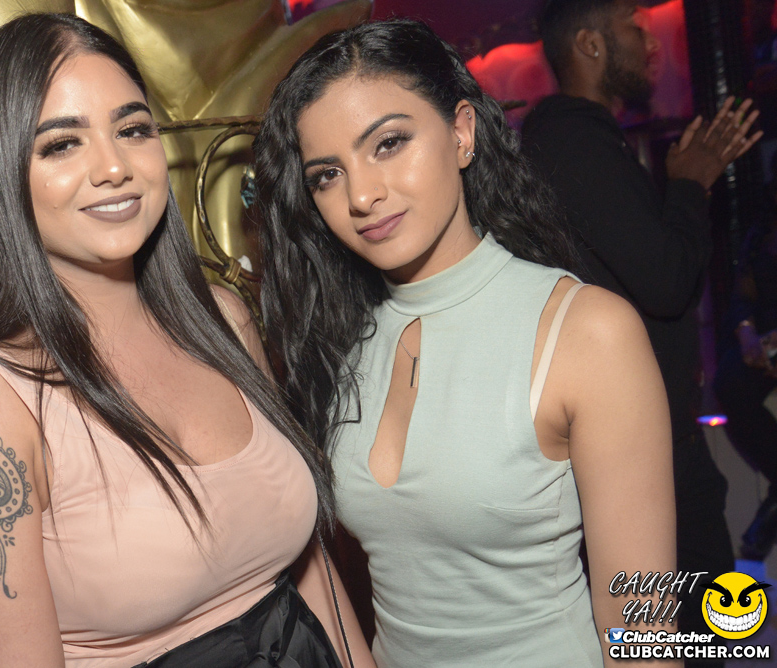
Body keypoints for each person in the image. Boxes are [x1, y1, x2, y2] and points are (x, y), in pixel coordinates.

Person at [0, 13, 374, 668]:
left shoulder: (222, 319)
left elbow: (309, 570)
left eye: (133, 129)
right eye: (62, 144)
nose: (114, 167)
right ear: (3, 174)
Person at [253, 17, 676, 668]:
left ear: (461, 134)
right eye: (327, 175)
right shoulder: (342, 337)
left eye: (388, 143)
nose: (362, 195)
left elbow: (645, 629)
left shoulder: (586, 331)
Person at [521, 0, 763, 653]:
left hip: (632, 443)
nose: (651, 40)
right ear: (590, 44)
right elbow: (666, 278)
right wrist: (689, 185)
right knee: (689, 639)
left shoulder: (578, 138)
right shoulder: (573, 140)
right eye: (634, 24)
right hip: (640, 453)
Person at [714, 208, 777, 561]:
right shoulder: (761, 232)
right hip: (766, 340)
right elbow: (742, 298)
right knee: (730, 381)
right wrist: (747, 333)